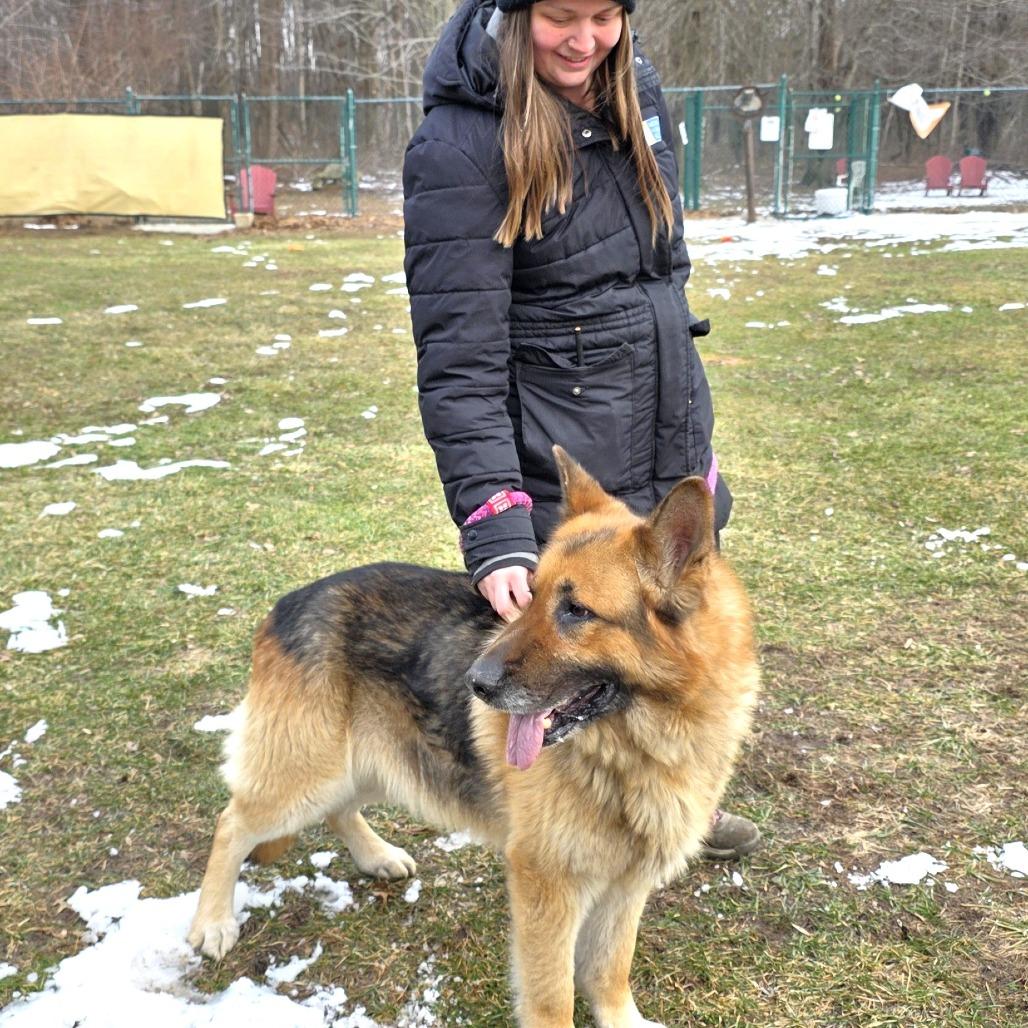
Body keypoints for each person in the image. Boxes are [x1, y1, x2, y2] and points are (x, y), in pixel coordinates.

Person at [403, 0, 760, 861]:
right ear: (510, 14)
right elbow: (462, 354)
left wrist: (690, 443)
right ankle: (567, 848)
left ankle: (677, 806)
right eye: (560, 15)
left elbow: (658, 281)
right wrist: (493, 520)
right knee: (557, 668)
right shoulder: (460, 144)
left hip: (664, 450)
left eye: (604, 15)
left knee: (662, 653)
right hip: (565, 472)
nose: (584, 39)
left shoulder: (637, 94)